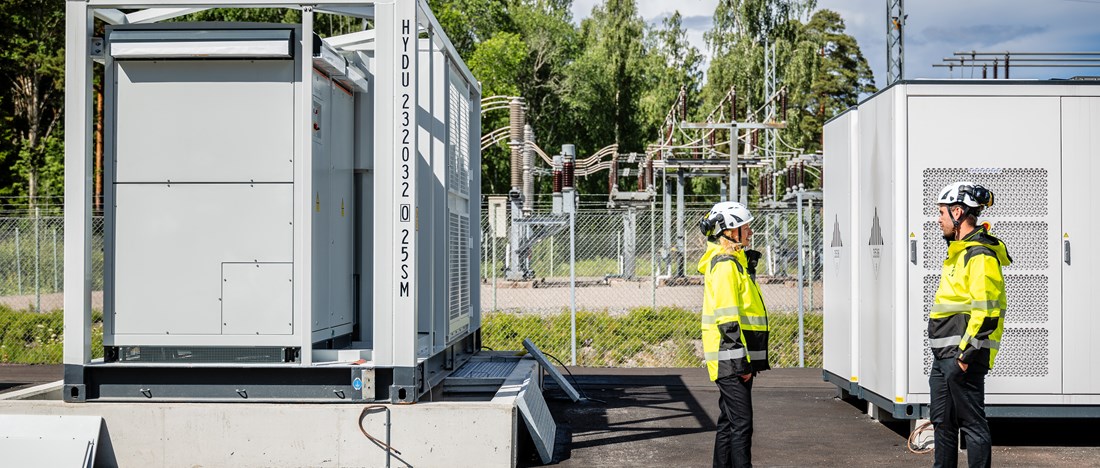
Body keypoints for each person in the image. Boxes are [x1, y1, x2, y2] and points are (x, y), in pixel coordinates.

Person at [928, 182, 1011, 468]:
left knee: (972, 424)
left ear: (958, 212)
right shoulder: (959, 251)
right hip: (943, 356)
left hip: (963, 357)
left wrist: (965, 357)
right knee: (942, 423)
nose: (938, 219)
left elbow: (987, 312)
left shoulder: (980, 255)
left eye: (941, 212)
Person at [697, 201, 770, 468]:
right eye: (745, 227)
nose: (750, 232)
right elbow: (727, 319)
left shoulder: (734, 262)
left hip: (731, 357)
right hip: (730, 358)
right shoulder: (726, 266)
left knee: (729, 421)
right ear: (729, 231)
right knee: (741, 423)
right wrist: (741, 364)